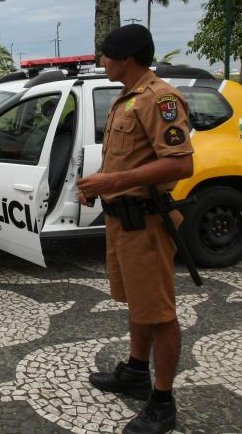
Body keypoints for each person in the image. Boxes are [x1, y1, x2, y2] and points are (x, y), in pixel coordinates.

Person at [76, 24, 194, 434]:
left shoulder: (160, 99)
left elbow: (180, 164)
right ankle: (136, 371)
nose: (102, 61)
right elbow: (127, 160)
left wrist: (110, 181)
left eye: (107, 55)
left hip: (146, 223)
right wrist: (99, 185)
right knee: (139, 303)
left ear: (126, 59)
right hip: (122, 220)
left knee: (159, 312)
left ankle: (162, 402)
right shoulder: (126, 97)